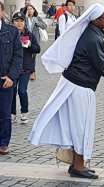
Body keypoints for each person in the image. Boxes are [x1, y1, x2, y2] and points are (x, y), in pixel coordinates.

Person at [29, 3, 104, 179]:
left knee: (78, 126)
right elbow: (103, 67)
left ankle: (76, 164)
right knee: (81, 127)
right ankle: (79, 167)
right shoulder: (93, 39)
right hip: (80, 87)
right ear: (96, 20)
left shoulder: (91, 33)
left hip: (76, 84)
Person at [0, 2, 23, 155]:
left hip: (5, 79)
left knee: (4, 114)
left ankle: (3, 143)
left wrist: (11, 77)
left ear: (2, 12)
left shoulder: (12, 31)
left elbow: (18, 56)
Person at [11, 12, 40, 124]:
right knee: (12, 91)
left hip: (25, 68)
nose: (19, 23)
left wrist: (29, 45)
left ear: (24, 22)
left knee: (22, 90)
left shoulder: (29, 34)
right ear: (13, 22)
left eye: (21, 21)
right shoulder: (9, 34)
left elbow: (37, 49)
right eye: (17, 21)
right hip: (12, 68)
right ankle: (12, 113)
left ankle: (24, 112)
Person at [24, 4, 47, 81]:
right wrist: (25, 18)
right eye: (28, 9)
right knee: (26, 55)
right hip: (25, 38)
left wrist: (37, 23)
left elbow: (44, 26)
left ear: (34, 10)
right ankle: (27, 71)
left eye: (31, 9)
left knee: (33, 57)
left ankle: (33, 72)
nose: (29, 10)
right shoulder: (24, 18)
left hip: (35, 40)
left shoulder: (37, 18)